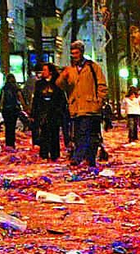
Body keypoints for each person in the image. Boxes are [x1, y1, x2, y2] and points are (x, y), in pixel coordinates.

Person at [57, 40, 107, 171]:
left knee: (85, 132)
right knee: (80, 134)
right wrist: (63, 75)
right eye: (72, 53)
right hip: (76, 108)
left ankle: (78, 157)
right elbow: (60, 85)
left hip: (91, 107)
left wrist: (99, 101)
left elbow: (102, 85)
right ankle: (90, 160)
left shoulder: (92, 67)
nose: (74, 56)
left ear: (82, 52)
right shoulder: (70, 70)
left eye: (76, 53)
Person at [31, 63, 67, 161]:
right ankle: (44, 154)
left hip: (54, 113)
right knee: (44, 134)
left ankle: (55, 154)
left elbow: (61, 99)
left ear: (50, 71)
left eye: (45, 70)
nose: (43, 72)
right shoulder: (39, 84)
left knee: (54, 134)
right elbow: (36, 100)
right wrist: (34, 113)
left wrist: (60, 111)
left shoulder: (57, 83)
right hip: (43, 113)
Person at [0, 73, 23, 148]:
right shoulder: (16, 88)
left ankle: (8, 143)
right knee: (12, 127)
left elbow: (1, 99)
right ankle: (12, 143)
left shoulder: (4, 88)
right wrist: (25, 107)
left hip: (6, 110)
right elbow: (21, 98)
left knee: (7, 127)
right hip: (14, 110)